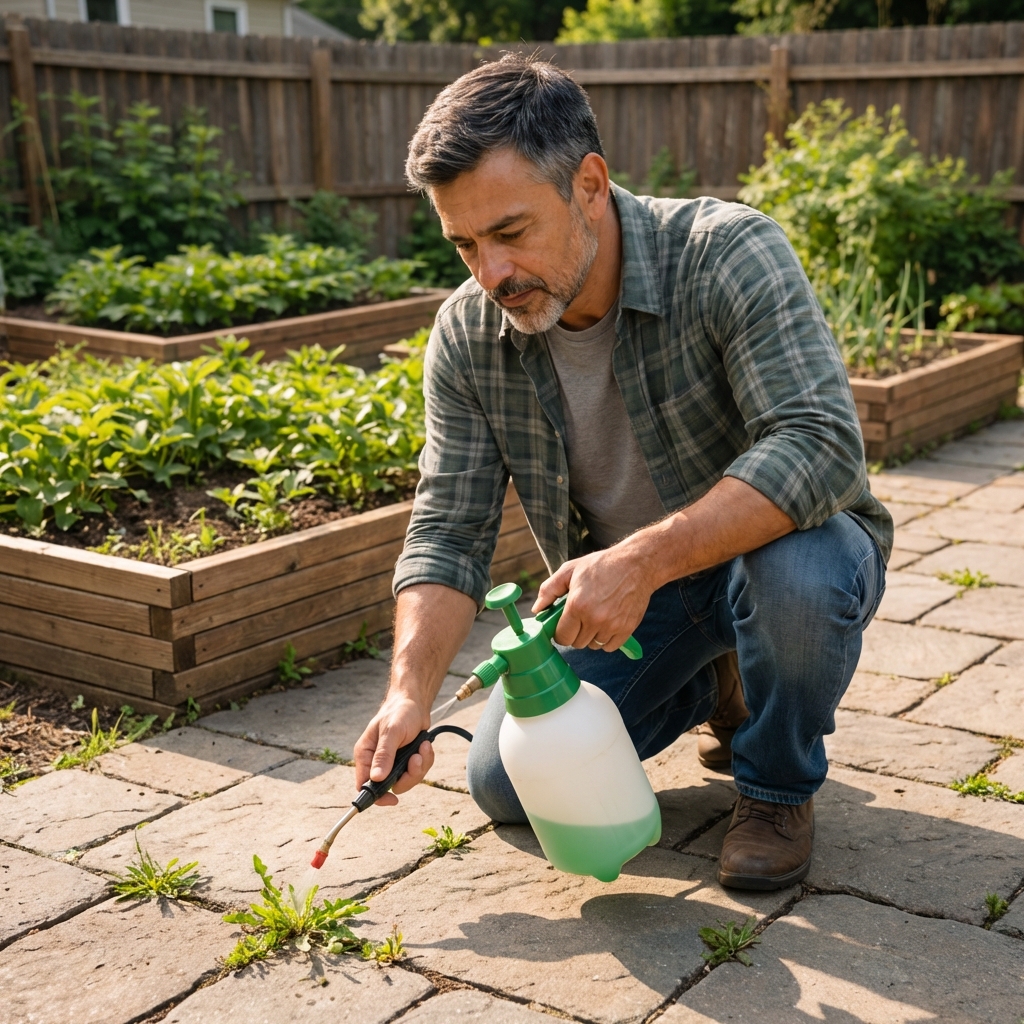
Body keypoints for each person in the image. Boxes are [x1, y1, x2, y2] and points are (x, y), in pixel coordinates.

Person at [354, 53, 891, 891]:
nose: (490, 274)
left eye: (510, 232)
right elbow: (448, 528)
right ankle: (720, 682)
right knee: (504, 783)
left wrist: (639, 560)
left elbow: (819, 442)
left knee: (797, 581)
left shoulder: (726, 252)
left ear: (591, 185)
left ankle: (776, 785)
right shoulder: (466, 334)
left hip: (782, 553)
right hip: (640, 605)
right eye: (463, 243)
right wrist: (408, 697)